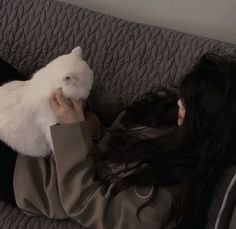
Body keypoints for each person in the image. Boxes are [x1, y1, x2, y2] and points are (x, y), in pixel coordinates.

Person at [11, 53, 236, 229]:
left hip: (31, 175)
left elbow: (85, 203)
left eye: (189, 105)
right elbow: (123, 115)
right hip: (37, 115)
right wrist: (76, 87)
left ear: (211, 129)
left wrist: (71, 130)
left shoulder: (163, 204)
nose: (179, 102)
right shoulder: (171, 118)